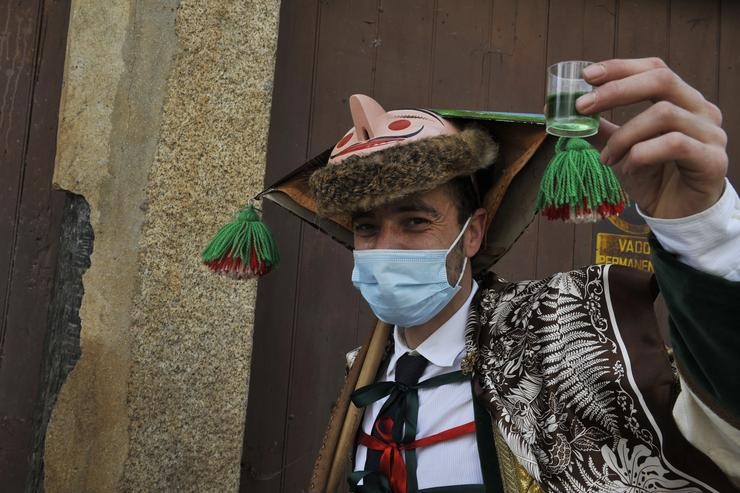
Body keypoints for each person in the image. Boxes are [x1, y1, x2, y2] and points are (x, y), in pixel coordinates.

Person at [307, 58, 739, 492]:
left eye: (416, 221)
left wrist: (704, 234)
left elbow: (719, 439)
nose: (385, 247)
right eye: (366, 228)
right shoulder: (363, 373)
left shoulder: (566, 331)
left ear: (471, 233)